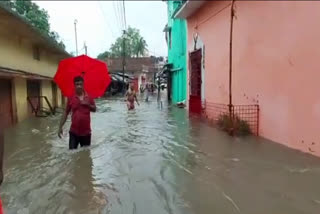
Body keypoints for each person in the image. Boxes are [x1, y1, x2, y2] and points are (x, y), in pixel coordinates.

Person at [58, 76, 96, 150]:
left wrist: (88, 105)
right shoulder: (71, 97)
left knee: (85, 155)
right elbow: (66, 112)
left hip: (86, 133)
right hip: (74, 132)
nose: (79, 86)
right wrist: (60, 127)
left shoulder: (89, 97)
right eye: (77, 84)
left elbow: (94, 109)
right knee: (72, 153)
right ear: (74, 85)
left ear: (83, 84)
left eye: (80, 84)